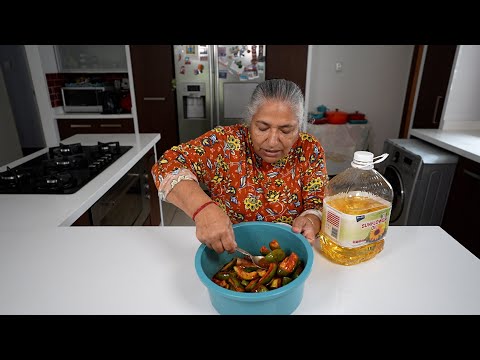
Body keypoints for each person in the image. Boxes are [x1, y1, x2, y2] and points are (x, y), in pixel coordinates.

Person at [151, 79, 328, 254]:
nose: (272, 142)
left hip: (290, 252)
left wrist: (311, 220)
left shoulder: (309, 149)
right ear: (250, 121)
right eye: (262, 128)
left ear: (299, 126)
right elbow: (166, 165)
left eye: (286, 130)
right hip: (233, 250)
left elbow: (317, 203)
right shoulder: (225, 143)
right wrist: (203, 209)